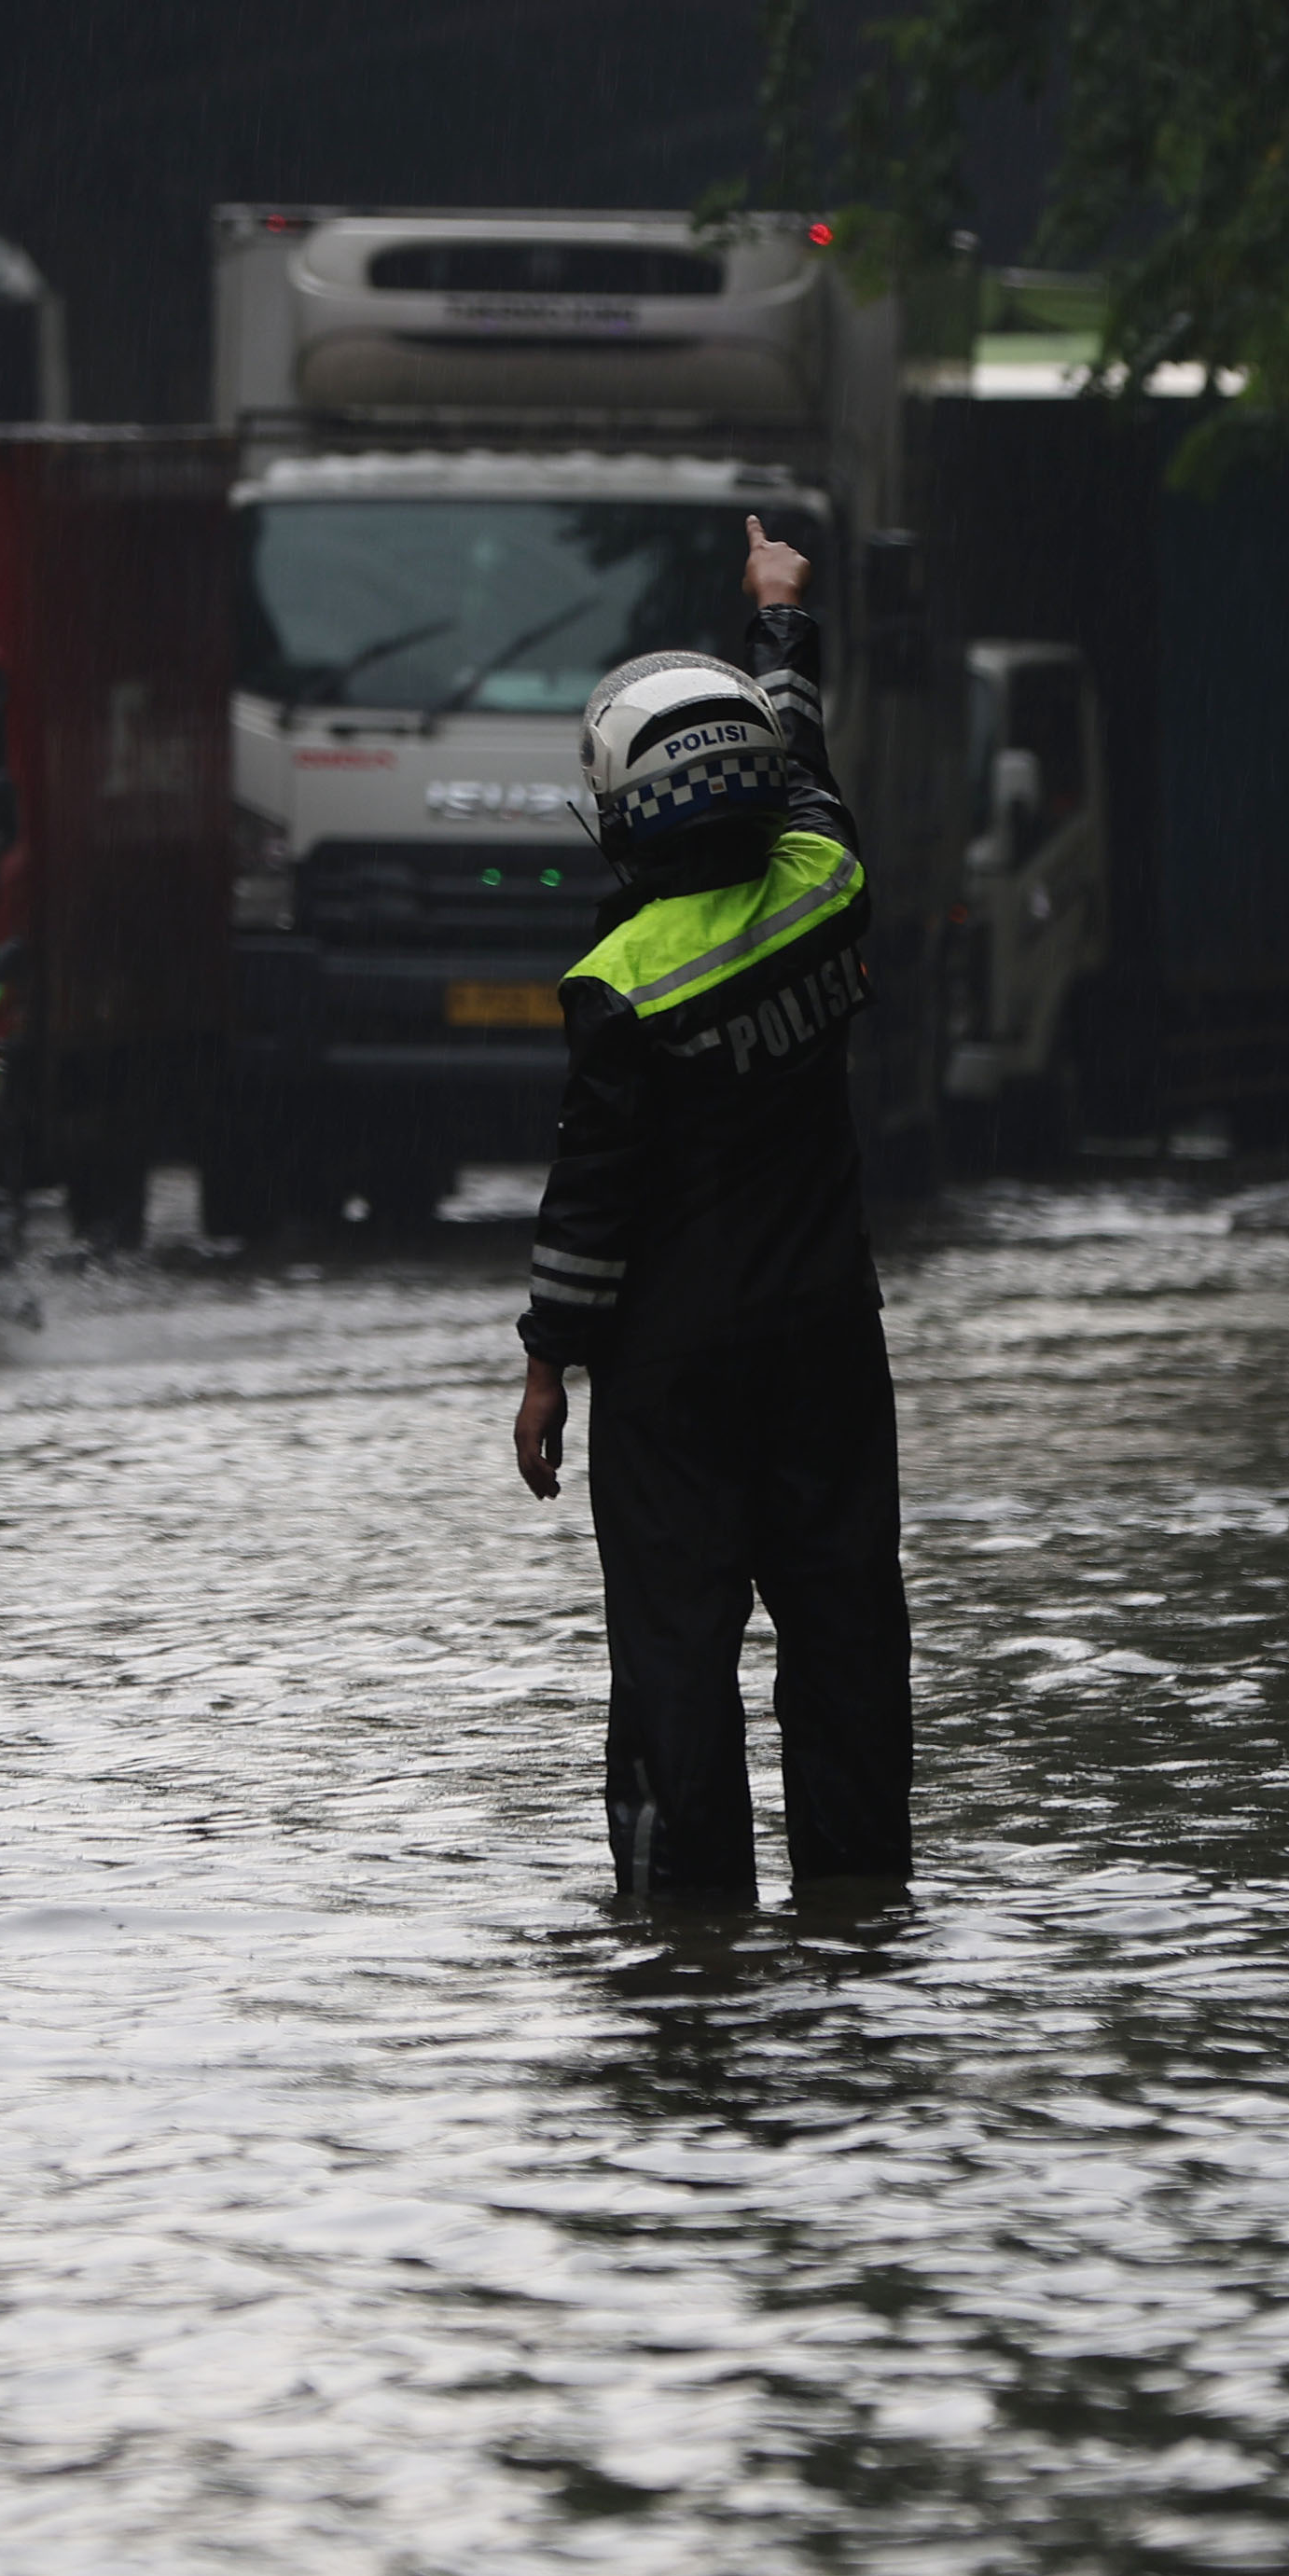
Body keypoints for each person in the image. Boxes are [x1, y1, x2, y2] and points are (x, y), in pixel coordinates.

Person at [508, 517, 908, 1902]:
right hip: (826, 1343)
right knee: (846, 1627)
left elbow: (592, 1195)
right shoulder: (829, 886)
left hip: (673, 1373)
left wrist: (547, 1359)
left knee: (676, 1648)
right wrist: (778, 614)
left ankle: (689, 1929)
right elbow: (795, 758)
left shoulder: (619, 981)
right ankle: (859, 1904)